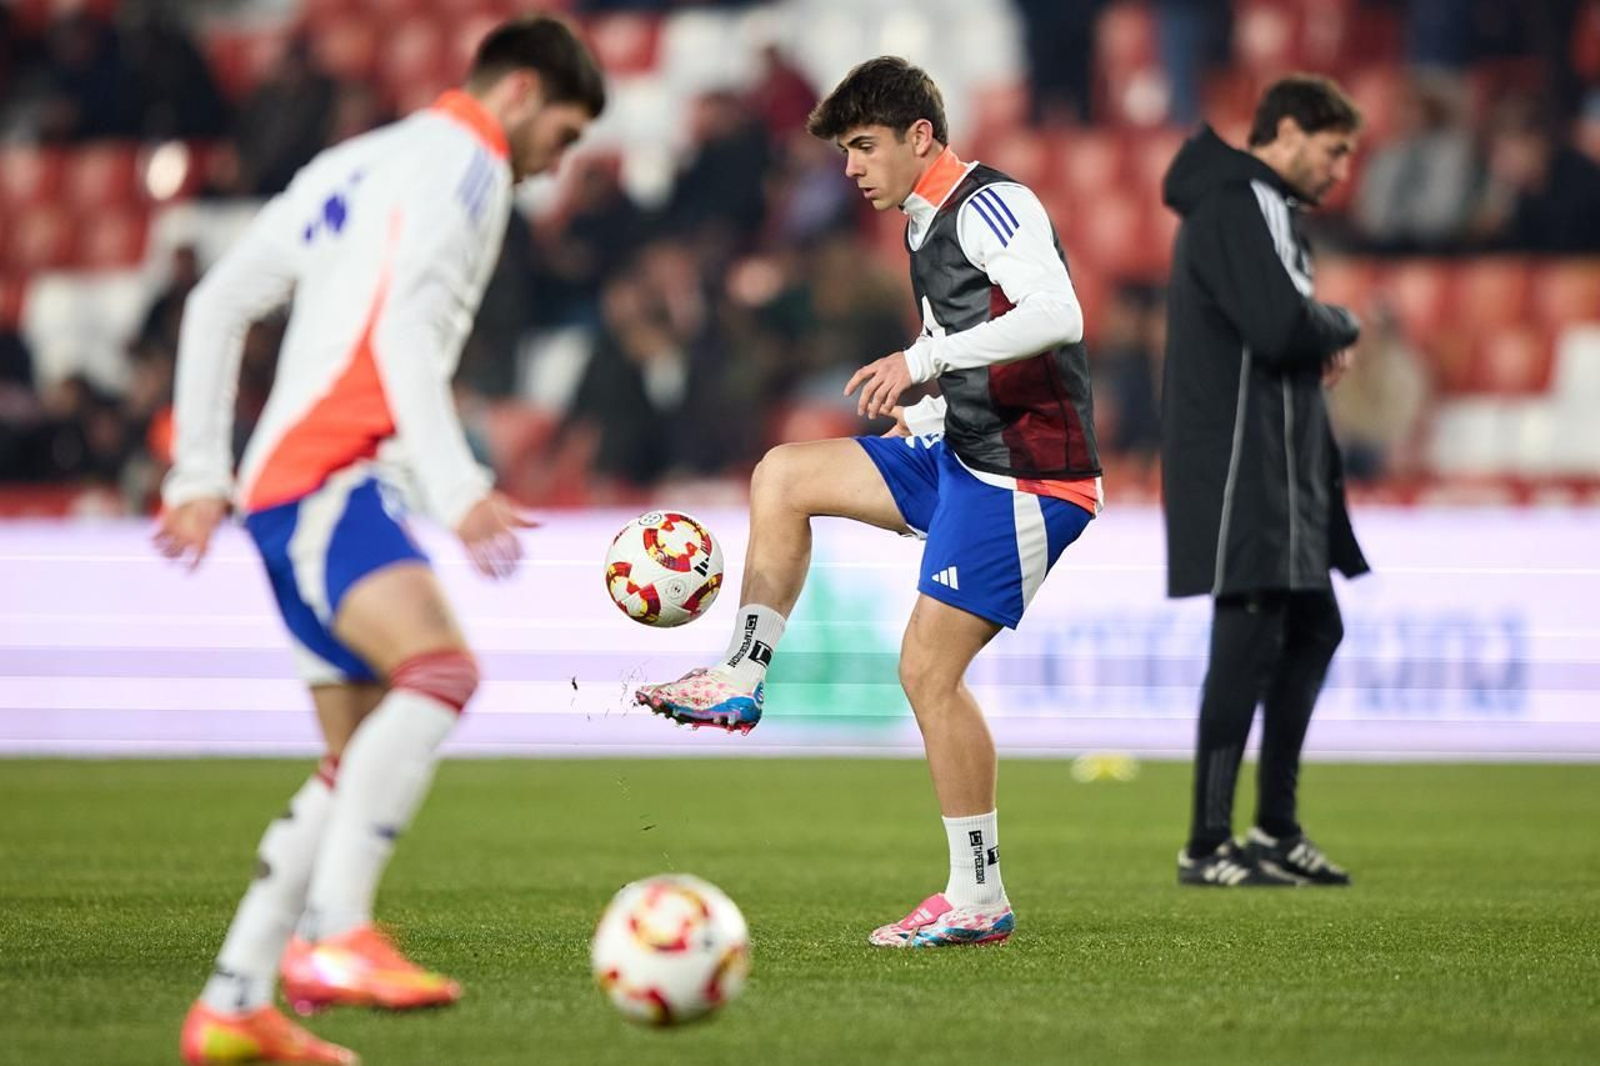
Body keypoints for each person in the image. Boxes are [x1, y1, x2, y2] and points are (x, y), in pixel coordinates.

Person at [155, 17, 604, 1064]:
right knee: (441, 665)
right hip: (332, 472)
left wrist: (201, 475)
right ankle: (336, 931)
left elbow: (218, 302)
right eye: (568, 134)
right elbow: (403, 332)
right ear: (525, 93)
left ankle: (232, 1003)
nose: (557, 163)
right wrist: (458, 487)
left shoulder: (356, 159)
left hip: (281, 482)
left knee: (352, 756)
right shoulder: (471, 164)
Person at [635, 57, 1102, 948]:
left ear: (919, 136)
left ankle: (977, 897)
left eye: (863, 145)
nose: (850, 167)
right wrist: (928, 404)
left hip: (1028, 478)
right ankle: (738, 677)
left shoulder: (991, 203)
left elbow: (1057, 315)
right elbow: (969, 341)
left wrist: (922, 365)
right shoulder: (922, 221)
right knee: (784, 473)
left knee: (927, 671)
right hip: (962, 449)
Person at [1159, 75, 1367, 889]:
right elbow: (1281, 326)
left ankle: (1274, 827)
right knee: (1247, 637)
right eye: (1334, 148)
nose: (1343, 168)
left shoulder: (1257, 207)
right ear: (1285, 131)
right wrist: (1342, 323)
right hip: (1246, 464)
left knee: (1313, 628)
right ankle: (1208, 843)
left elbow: (1280, 324)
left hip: (1279, 463)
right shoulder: (1242, 202)